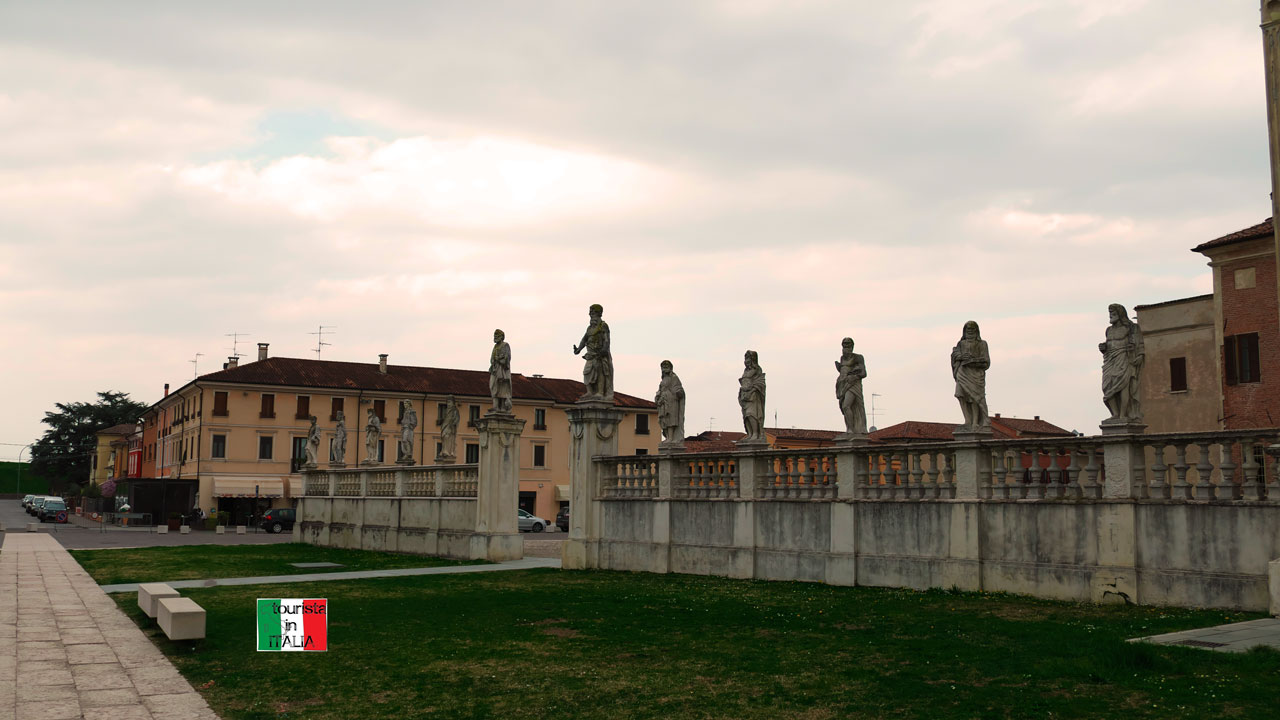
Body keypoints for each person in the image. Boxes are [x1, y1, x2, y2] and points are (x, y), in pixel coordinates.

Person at [1100, 303, 1144, 422]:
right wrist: (1103, 348)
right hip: (1110, 360)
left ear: (1120, 314)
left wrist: (1139, 355)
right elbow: (1109, 345)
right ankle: (1115, 413)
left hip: (1124, 358)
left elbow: (1139, 343)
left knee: (1123, 386)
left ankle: (1123, 415)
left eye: (1113, 313)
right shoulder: (1108, 330)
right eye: (1110, 313)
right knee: (1107, 386)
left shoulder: (1131, 328)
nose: (1111, 316)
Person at [951, 321, 991, 431]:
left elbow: (986, 362)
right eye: (967, 328)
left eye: (972, 328)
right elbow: (954, 354)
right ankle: (967, 420)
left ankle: (975, 423)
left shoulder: (982, 344)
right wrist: (960, 356)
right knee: (960, 395)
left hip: (975, 374)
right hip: (962, 373)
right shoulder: (961, 344)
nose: (970, 330)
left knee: (974, 398)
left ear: (976, 330)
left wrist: (972, 360)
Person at [572, 304, 613, 401]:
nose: (591, 315)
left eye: (593, 313)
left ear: (599, 314)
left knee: (600, 373)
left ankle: (600, 392)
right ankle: (590, 392)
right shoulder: (589, 328)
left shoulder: (603, 326)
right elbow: (584, 339)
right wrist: (578, 349)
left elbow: (607, 340)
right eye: (590, 313)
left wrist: (604, 349)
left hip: (599, 355)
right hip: (590, 355)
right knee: (587, 372)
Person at [835, 337, 868, 437]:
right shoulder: (842, 358)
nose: (846, 346)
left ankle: (851, 429)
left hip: (853, 384)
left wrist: (854, 376)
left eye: (848, 344)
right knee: (844, 407)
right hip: (842, 384)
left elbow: (863, 373)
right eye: (844, 344)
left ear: (852, 346)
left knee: (846, 406)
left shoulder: (858, 357)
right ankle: (849, 428)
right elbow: (844, 370)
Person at [738, 350, 766, 443]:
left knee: (752, 414)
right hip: (745, 396)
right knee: (746, 415)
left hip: (753, 396)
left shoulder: (757, 370)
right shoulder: (746, 371)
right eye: (745, 359)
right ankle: (750, 434)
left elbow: (760, 382)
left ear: (753, 359)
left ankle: (755, 434)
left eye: (748, 358)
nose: (746, 361)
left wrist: (753, 389)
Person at [655, 360, 686, 444]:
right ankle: (668, 437)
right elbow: (660, 389)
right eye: (663, 367)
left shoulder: (674, 377)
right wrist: (658, 396)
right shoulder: (663, 379)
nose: (665, 368)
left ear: (670, 368)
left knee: (670, 420)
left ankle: (671, 438)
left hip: (672, 400)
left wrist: (678, 392)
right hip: (663, 401)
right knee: (663, 419)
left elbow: (679, 389)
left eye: (666, 366)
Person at [489, 330, 512, 414]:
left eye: (497, 335)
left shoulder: (505, 345)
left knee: (502, 388)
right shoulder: (495, 347)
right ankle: (495, 406)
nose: (495, 337)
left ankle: (501, 407)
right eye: (494, 335)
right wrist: (494, 360)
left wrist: (499, 359)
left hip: (502, 370)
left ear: (501, 337)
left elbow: (507, 358)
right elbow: (492, 358)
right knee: (493, 386)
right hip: (495, 369)